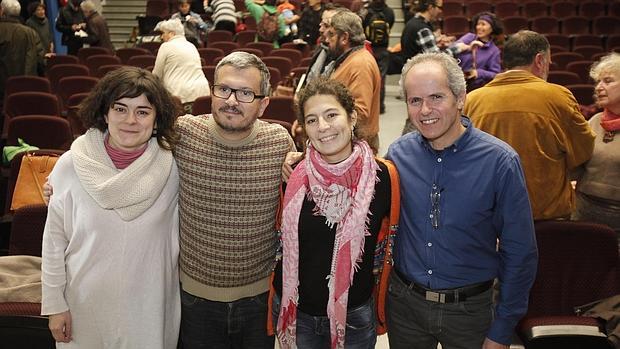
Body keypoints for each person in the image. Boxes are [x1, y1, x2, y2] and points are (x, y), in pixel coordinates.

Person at [385, 52, 538, 349]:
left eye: (436, 97)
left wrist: (502, 329)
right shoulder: (398, 155)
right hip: (405, 307)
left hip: (470, 313)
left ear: (460, 98)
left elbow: (520, 253)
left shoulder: (500, 162)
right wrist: (299, 158)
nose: (425, 110)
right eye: (415, 100)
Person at [41, 66, 181, 348]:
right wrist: (55, 305)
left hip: (150, 309)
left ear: (156, 120)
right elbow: (54, 242)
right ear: (105, 114)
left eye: (143, 111)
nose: (130, 120)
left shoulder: (174, 169)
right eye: (120, 109)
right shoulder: (70, 166)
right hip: (83, 306)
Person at [175, 51, 295, 348]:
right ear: (212, 91)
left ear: (263, 103)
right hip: (193, 301)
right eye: (224, 89)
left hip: (259, 302)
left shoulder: (280, 143)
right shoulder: (182, 134)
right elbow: (125, 145)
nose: (231, 100)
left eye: (245, 93)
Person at [273, 78, 391, 348]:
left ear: (351, 117)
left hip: (354, 316)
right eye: (312, 120)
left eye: (331, 115)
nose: (322, 127)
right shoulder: (292, 175)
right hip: (298, 314)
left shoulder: (383, 178)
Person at [464, 30, 595, 221]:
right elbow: (583, 151)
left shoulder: (471, 100)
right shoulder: (558, 97)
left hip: (489, 217)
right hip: (545, 215)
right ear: (540, 60)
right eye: (548, 62)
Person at [321, 10, 382, 153]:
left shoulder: (360, 64)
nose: (327, 40)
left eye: (331, 35)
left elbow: (359, 113)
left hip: (356, 148)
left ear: (344, 38)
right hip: (345, 144)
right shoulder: (351, 59)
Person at [574, 52, 620, 234]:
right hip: (583, 214)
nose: (599, 87)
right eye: (598, 82)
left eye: (607, 81)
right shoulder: (594, 121)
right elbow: (578, 165)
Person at [388, 0, 472, 76]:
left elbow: (419, 47)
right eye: (439, 7)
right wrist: (458, 48)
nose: (440, 11)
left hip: (411, 72)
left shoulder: (412, 22)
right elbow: (437, 58)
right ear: (431, 8)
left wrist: (436, 42)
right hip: (419, 74)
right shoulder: (423, 29)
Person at [152, 18, 210, 114]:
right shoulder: (191, 46)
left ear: (172, 33)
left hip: (180, 96)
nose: (162, 37)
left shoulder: (166, 46)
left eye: (163, 33)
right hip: (201, 94)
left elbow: (156, 75)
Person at [0, 0, 44, 104]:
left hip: (2, 93)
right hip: (25, 91)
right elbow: (39, 60)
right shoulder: (30, 32)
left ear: (2, 11)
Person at [455, 11, 503, 91]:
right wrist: (468, 47)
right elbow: (453, 48)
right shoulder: (469, 37)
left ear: (492, 29)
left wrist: (478, 73)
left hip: (478, 89)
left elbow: (495, 74)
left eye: (483, 24)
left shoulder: (494, 51)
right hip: (458, 84)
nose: (479, 27)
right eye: (478, 24)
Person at [363, 0, 394, 114]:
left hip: (368, 49)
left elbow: (362, 28)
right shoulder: (390, 12)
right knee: (381, 79)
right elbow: (389, 26)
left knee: (367, 78)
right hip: (383, 49)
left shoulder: (365, 12)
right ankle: (380, 106)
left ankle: (368, 105)